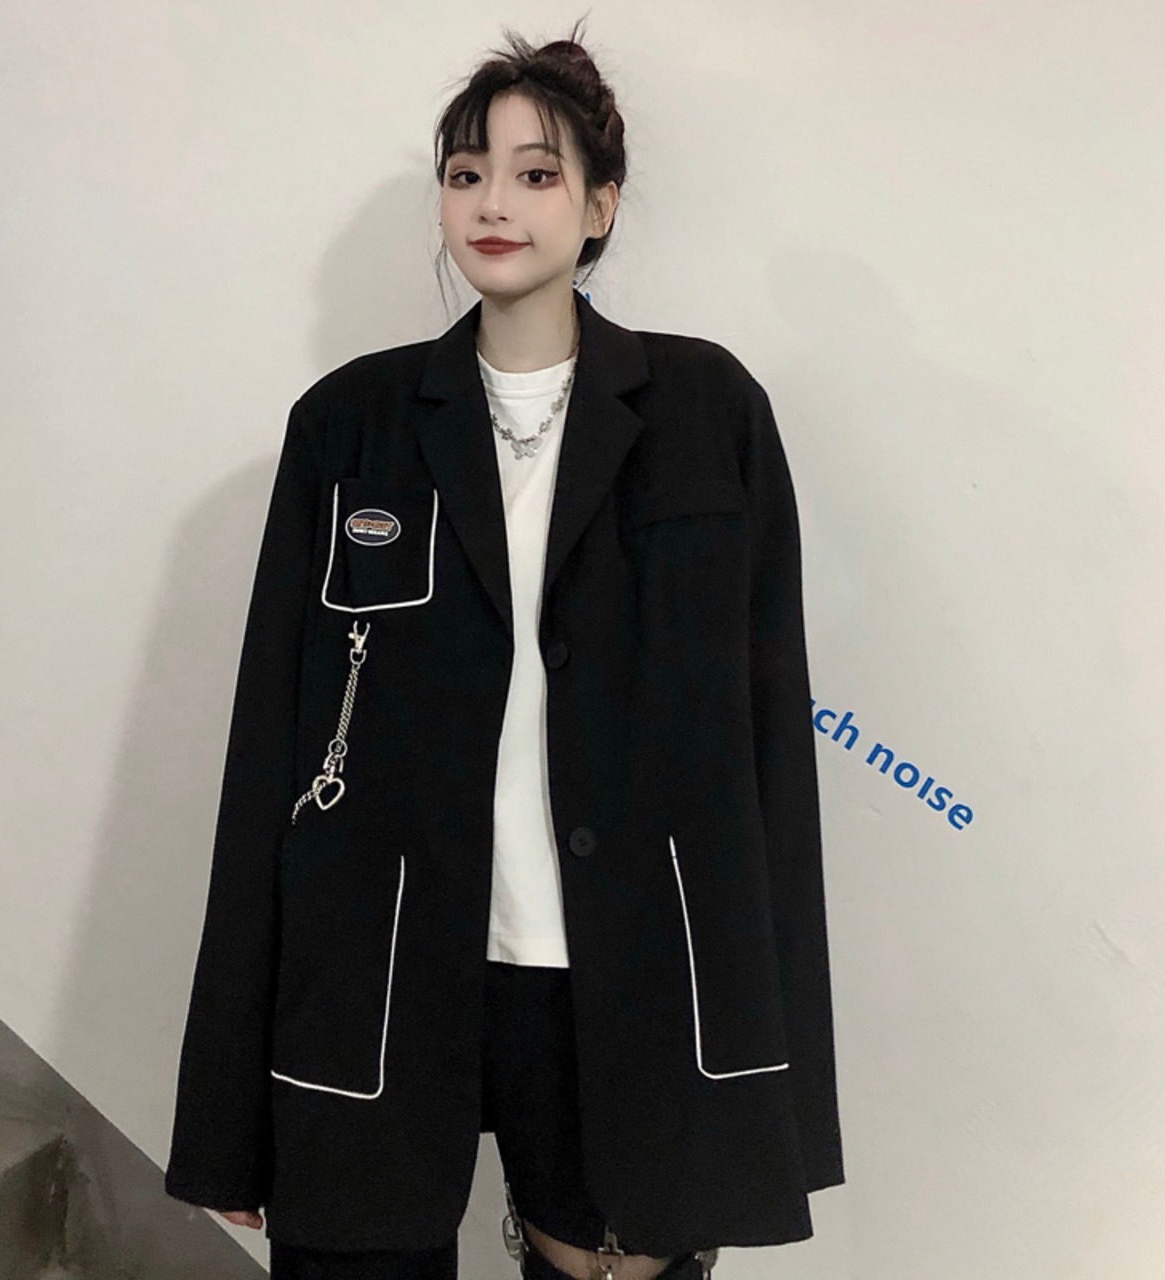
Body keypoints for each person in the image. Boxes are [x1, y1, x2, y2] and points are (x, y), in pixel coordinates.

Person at [165, 17, 844, 1280]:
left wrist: (779, 1076)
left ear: (598, 207)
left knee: (617, 1264)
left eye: (536, 173)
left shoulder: (706, 413)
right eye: (466, 172)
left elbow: (768, 751)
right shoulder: (350, 425)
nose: (492, 203)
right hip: (380, 959)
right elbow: (268, 753)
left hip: (626, 965)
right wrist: (226, 1114)